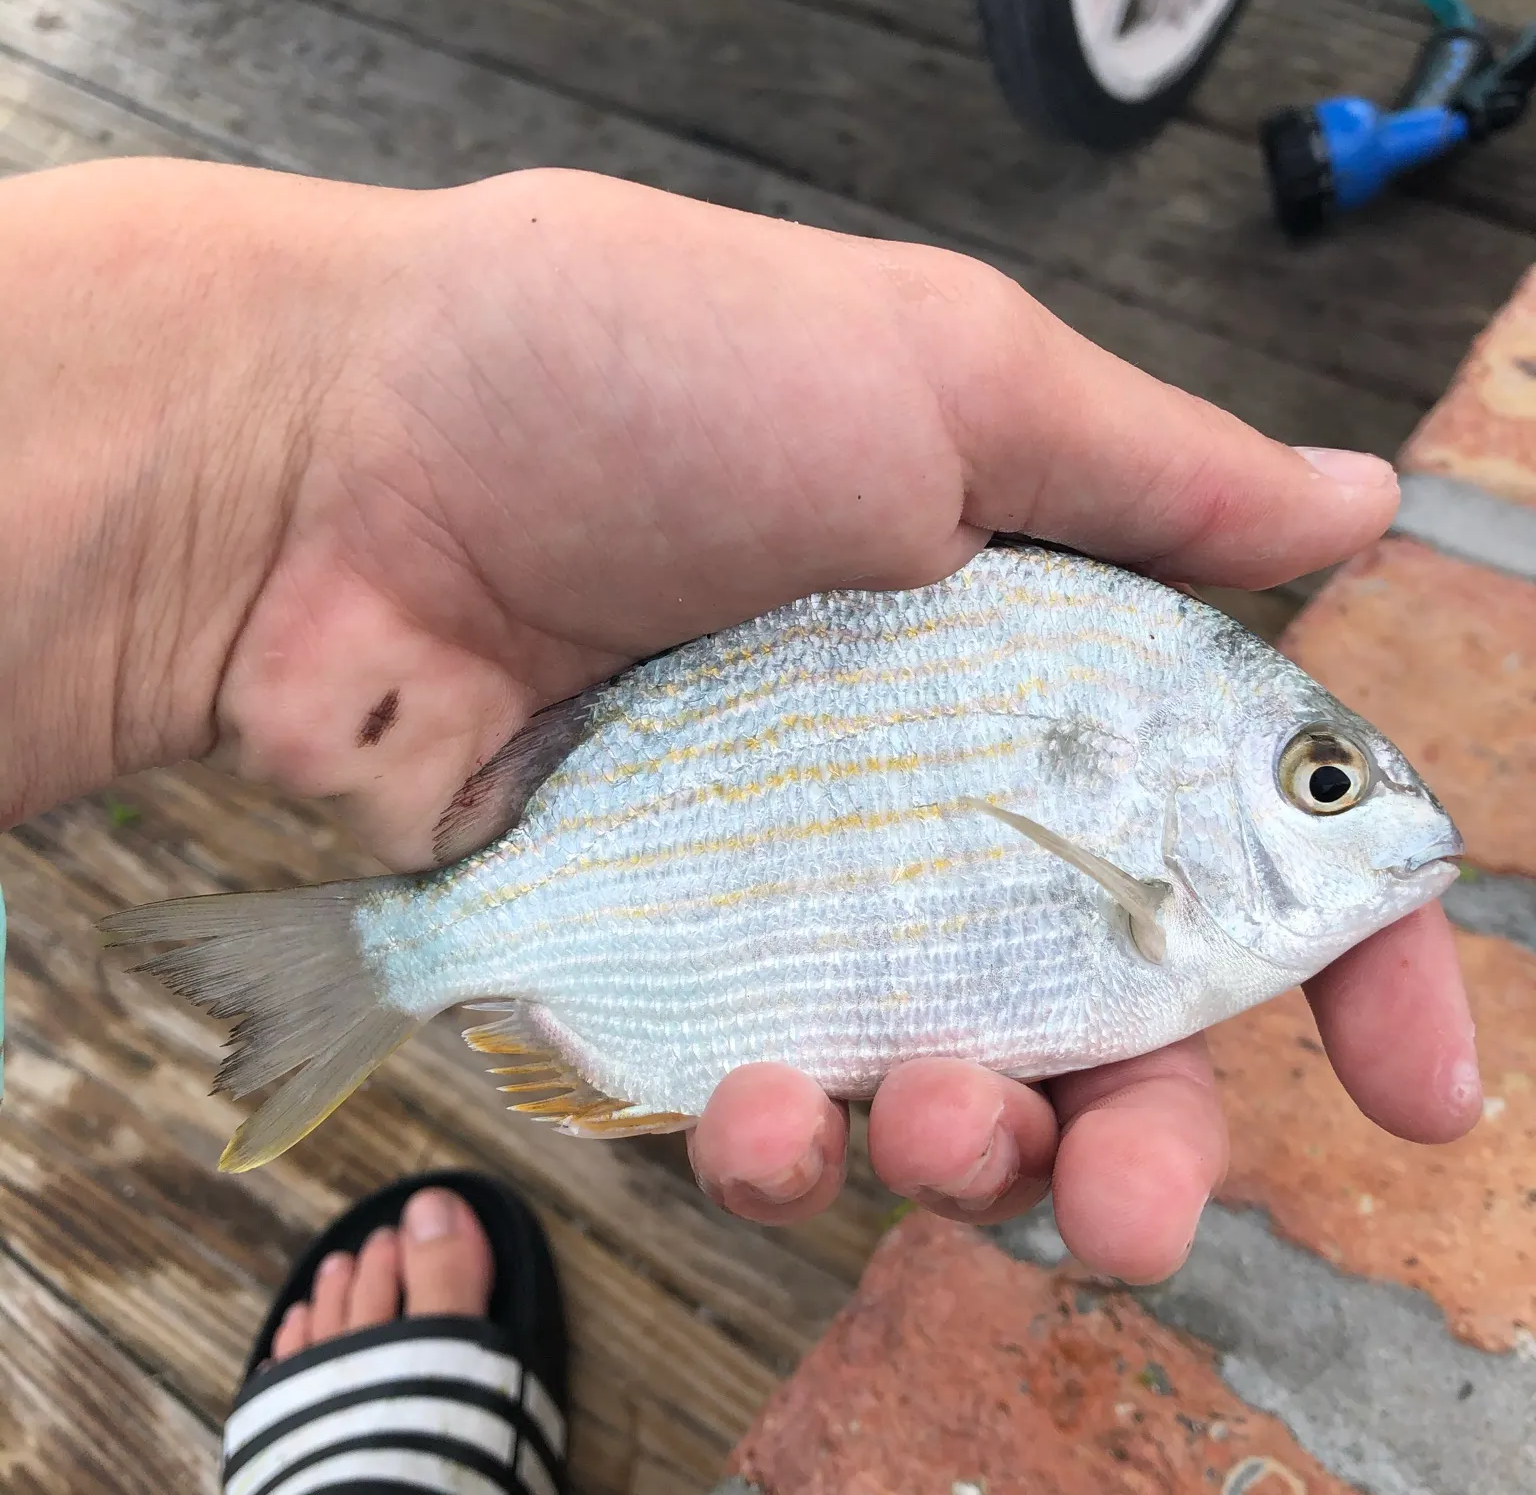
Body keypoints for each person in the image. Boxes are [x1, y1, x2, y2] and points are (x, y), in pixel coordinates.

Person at [1, 159, 1481, 1494]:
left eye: (1329, 783)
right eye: (1324, 783)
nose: (1360, 813)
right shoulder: (1159, 805)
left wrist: (256, 466)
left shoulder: (1149, 749)